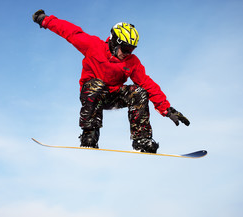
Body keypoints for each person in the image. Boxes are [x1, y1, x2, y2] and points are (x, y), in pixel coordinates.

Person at [32, 9, 190, 153]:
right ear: (114, 41)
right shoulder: (93, 46)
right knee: (96, 85)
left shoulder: (131, 62)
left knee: (139, 92)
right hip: (92, 95)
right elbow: (70, 32)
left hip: (113, 96)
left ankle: (142, 140)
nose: (128, 53)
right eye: (126, 48)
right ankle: (89, 136)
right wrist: (45, 20)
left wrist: (166, 109)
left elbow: (147, 84)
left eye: (132, 49)